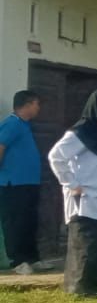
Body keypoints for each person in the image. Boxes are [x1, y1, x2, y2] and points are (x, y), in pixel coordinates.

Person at [47, 89, 97, 297]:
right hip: (86, 197)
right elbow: (56, 156)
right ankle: (83, 287)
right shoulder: (81, 132)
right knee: (87, 244)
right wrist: (72, 183)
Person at [1, 90, 45, 274]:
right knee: (15, 222)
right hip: (13, 183)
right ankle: (16, 261)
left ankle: (32, 259)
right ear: (27, 105)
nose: (38, 108)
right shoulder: (11, 123)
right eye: (37, 104)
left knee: (30, 221)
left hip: (29, 183)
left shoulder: (25, 125)